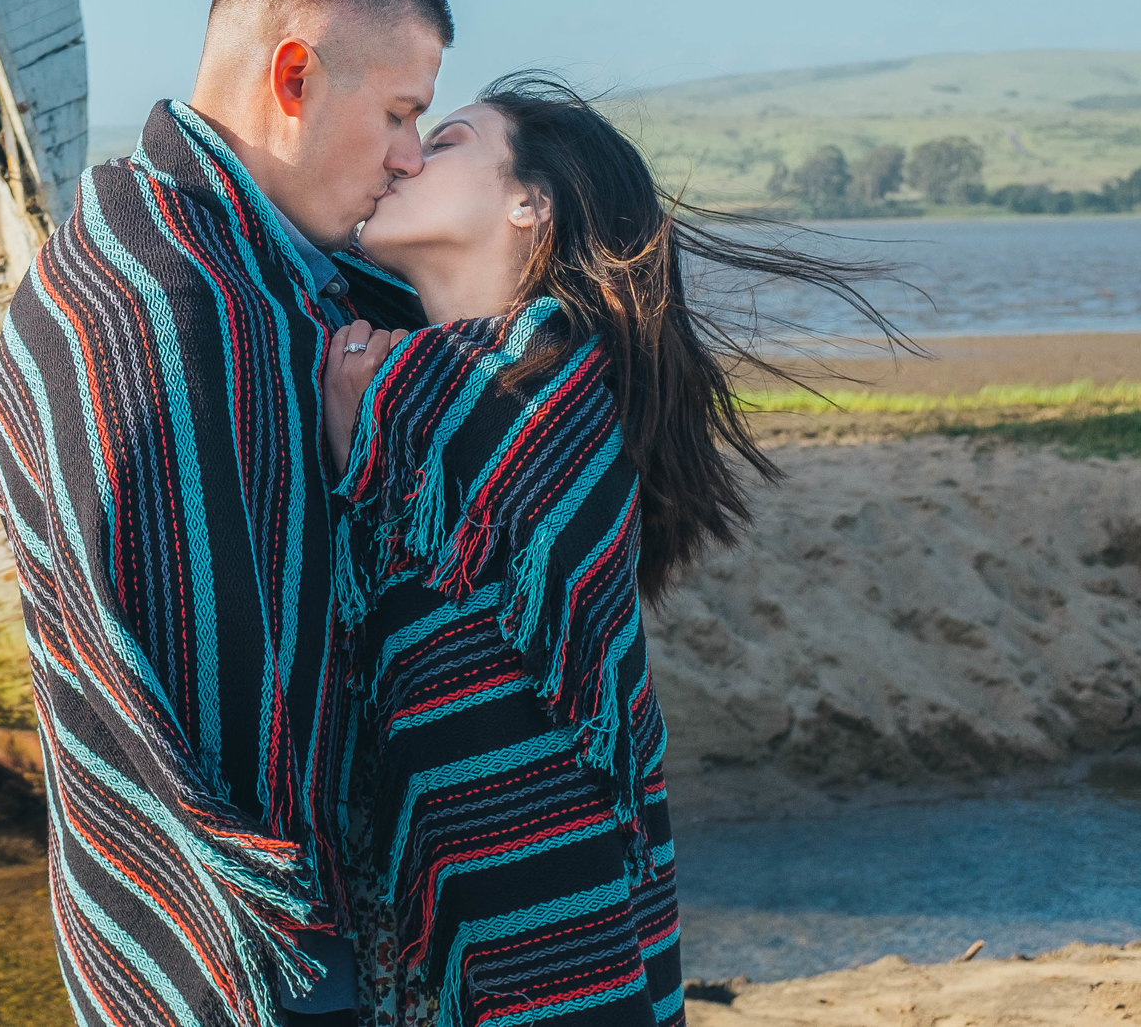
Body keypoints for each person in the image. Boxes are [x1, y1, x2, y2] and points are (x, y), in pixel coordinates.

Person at [318, 74, 901, 1027]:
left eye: (451, 138)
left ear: (528, 203)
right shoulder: (438, 383)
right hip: (476, 902)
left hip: (539, 913)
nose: (411, 154)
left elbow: (457, 673)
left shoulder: (543, 383)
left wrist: (368, 427)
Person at [0, 0, 453, 1027]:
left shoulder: (163, 247)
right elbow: (213, 697)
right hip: (249, 944)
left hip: (192, 919)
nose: (408, 155)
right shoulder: (179, 307)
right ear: (293, 75)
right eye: (399, 113)